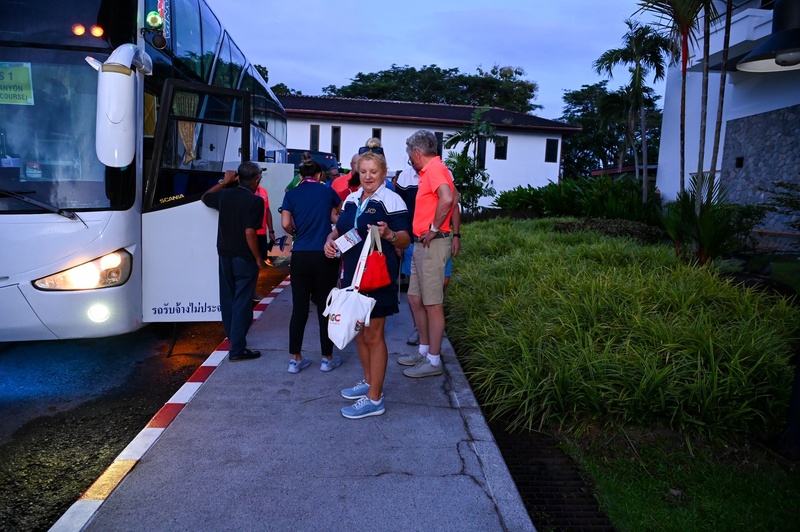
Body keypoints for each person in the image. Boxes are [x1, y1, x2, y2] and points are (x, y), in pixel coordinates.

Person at [324, 150, 410, 419]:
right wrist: (330, 241)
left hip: (377, 277)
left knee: (373, 336)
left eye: (374, 171)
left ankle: (375, 398)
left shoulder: (391, 200)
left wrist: (389, 234)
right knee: (359, 334)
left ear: (383, 173)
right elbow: (340, 230)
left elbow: (405, 240)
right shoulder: (351, 199)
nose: (368, 176)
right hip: (352, 276)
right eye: (363, 171)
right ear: (357, 173)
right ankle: (370, 381)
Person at [399, 130, 455, 378]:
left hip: (433, 243)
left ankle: (433, 360)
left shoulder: (434, 169)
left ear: (417, 153)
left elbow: (448, 198)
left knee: (433, 304)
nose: (410, 160)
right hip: (422, 243)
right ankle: (424, 351)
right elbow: (454, 196)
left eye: (410, 156)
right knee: (414, 298)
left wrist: (433, 228)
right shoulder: (433, 170)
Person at [281, 155, 343, 374]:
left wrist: (296, 232)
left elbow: (285, 223)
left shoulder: (291, 194)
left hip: (300, 255)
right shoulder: (327, 191)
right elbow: (339, 214)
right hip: (324, 254)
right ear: (319, 175)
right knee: (325, 307)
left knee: (299, 308)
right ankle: (327, 359)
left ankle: (295, 360)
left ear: (300, 176)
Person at [201, 161, 267, 361]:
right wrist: (258, 258)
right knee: (242, 302)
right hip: (244, 258)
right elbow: (249, 232)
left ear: (238, 178)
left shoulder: (225, 195)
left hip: (224, 255)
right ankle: (237, 349)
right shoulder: (255, 201)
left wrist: (224, 182)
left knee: (228, 300)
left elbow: (205, 197)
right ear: (257, 180)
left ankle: (233, 340)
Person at [394, 164, 461, 346]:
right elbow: (399, 211)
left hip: (439, 239)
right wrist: (398, 239)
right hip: (412, 240)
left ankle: (434, 332)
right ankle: (420, 330)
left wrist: (456, 235)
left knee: (440, 287)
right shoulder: (405, 177)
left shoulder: (442, 172)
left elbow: (453, 203)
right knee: (415, 294)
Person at [254, 184, 276, 268]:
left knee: (261, 259)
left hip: (262, 232)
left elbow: (267, 211)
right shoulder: (244, 191)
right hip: (248, 233)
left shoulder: (263, 190)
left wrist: (271, 231)